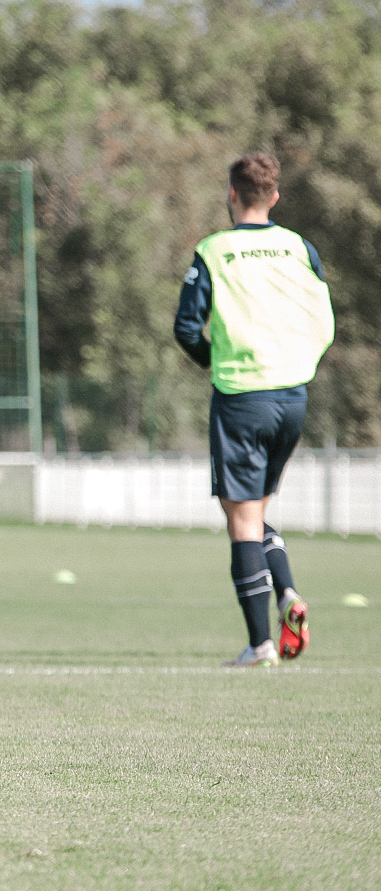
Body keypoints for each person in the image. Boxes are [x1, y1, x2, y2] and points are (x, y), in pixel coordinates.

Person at [173, 152, 333, 668]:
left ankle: (260, 644)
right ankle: (287, 592)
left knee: (243, 520)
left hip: (243, 397)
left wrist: (216, 361)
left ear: (232, 194)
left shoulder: (214, 251)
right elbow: (324, 321)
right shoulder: (298, 247)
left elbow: (184, 328)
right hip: (292, 396)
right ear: (276, 197)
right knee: (253, 511)